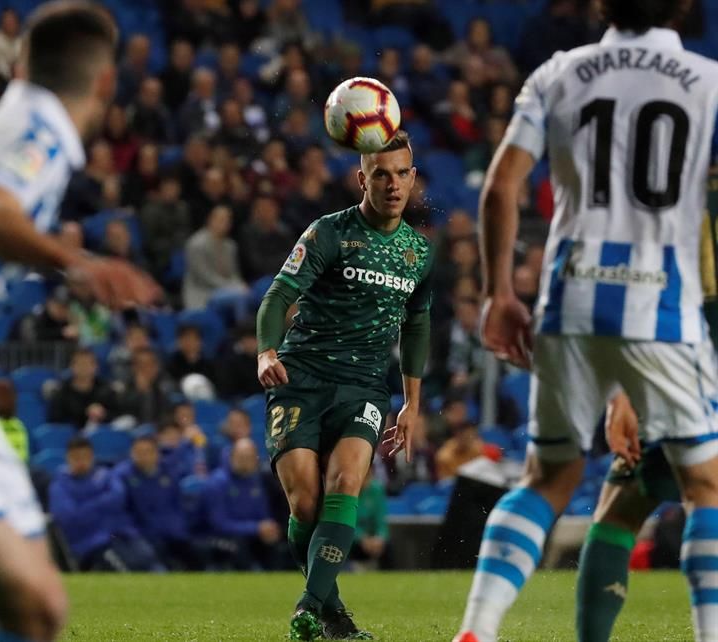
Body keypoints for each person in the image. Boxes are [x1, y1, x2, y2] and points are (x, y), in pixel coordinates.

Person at [452, 2, 718, 641]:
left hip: (568, 297)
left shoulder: (558, 72)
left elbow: (499, 188)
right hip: (661, 305)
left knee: (547, 478)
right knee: (706, 486)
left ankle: (476, 629)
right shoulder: (706, 81)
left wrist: (498, 294)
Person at [0, 4, 162, 639]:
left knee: (32, 602)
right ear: (106, 82)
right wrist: (77, 264)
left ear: (20, 66)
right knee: (34, 605)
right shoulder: (41, 131)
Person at [256, 130, 433, 640]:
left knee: (347, 481)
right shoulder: (329, 233)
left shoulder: (419, 253)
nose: (393, 184)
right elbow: (277, 297)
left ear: (413, 178)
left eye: (401, 174)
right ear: (362, 179)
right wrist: (266, 351)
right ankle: (333, 615)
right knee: (305, 504)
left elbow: (417, 325)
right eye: (381, 174)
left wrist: (412, 403)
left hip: (364, 387)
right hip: (301, 379)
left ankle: (309, 608)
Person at [575, 171, 718, 642]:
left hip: (679, 350)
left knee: (624, 506)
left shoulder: (668, 188)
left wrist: (623, 391)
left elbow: (634, 283)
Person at [48, 437, 164, 572]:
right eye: (76, 457)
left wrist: (85, 506)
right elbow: (70, 517)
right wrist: (103, 503)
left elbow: (118, 498)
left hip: (122, 534)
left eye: (85, 457)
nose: (81, 462)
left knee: (150, 561)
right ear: (68, 458)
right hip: (90, 543)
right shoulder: (60, 486)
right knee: (125, 572)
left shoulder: (106, 475)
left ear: (92, 456)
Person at [112, 435, 203, 569]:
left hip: (170, 532)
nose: (143, 456)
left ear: (157, 454)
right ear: (131, 453)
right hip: (140, 534)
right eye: (138, 452)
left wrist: (178, 528)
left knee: (197, 554)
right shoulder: (122, 476)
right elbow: (120, 512)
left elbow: (177, 505)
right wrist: (133, 533)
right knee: (151, 560)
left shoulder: (169, 472)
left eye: (147, 452)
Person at [206, 438, 283, 570]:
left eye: (250, 457)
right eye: (241, 457)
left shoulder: (256, 482)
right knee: (240, 546)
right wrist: (256, 528)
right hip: (222, 537)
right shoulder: (218, 482)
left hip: (252, 535)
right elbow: (218, 524)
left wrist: (268, 528)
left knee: (276, 544)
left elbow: (263, 514)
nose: (245, 462)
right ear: (232, 457)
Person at [48, 347, 114, 430]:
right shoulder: (62, 391)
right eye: (80, 363)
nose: (84, 367)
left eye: (88, 364)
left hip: (102, 434)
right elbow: (55, 420)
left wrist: (103, 414)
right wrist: (85, 412)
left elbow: (117, 415)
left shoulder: (106, 389)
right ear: (71, 366)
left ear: (95, 366)